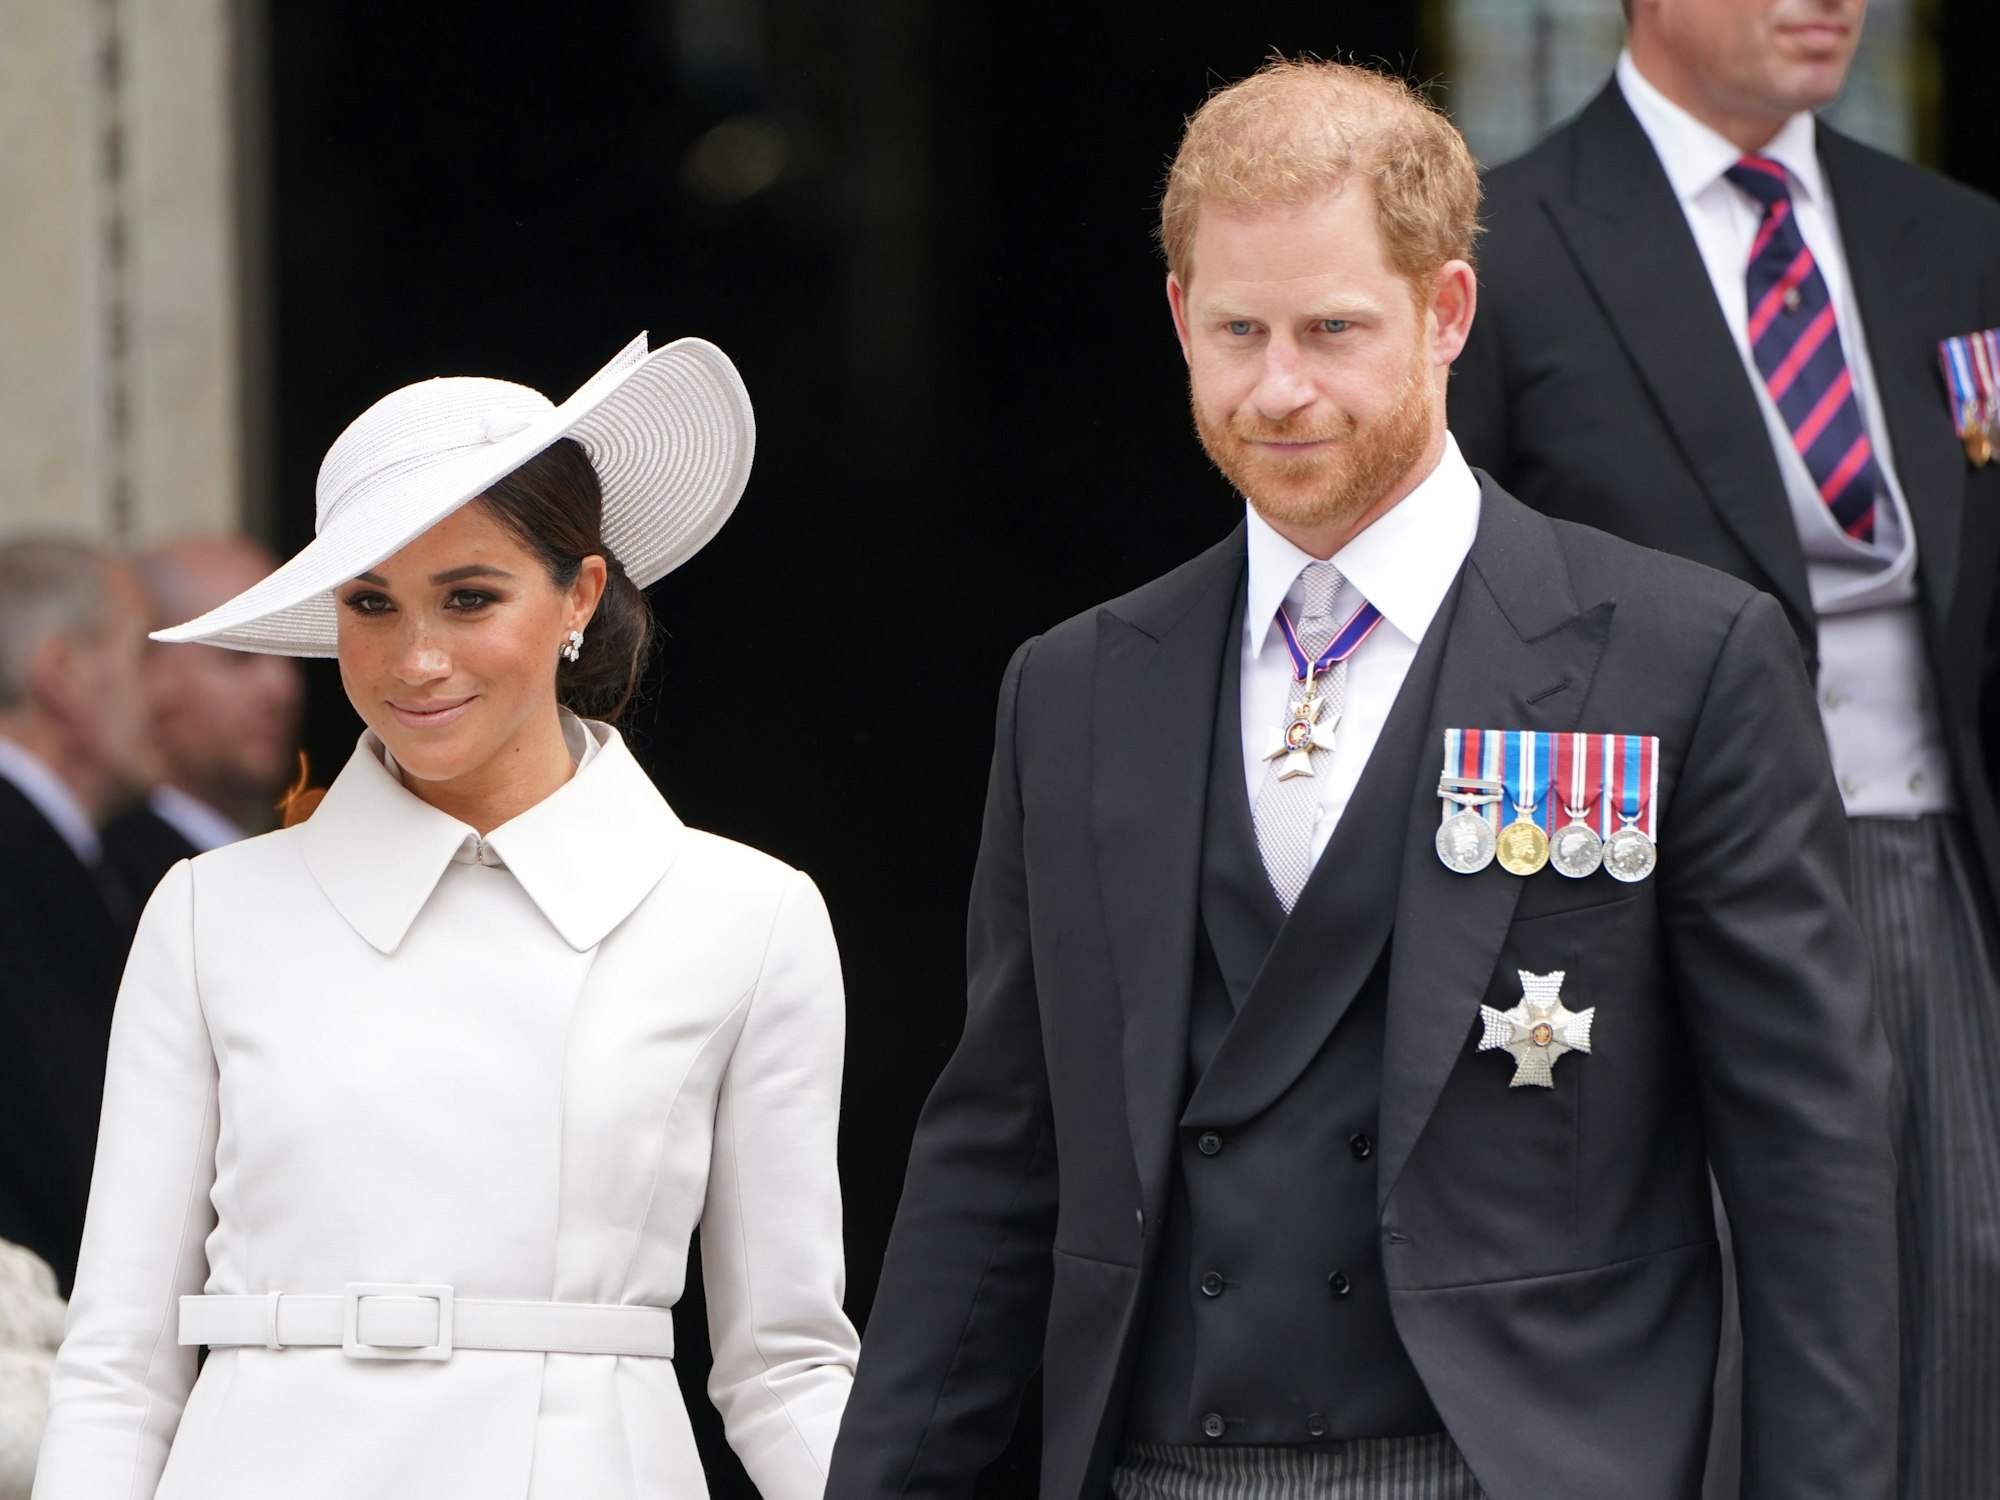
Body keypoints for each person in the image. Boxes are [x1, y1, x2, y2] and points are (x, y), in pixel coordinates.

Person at [825, 58, 1895, 1500]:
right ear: (1177, 320)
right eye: (1237, 330)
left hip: (1527, 1465)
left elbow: (1806, 1160)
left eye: (1332, 330)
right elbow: (998, 1153)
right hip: (1161, 1466)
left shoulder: (1681, 658)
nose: (1280, 389)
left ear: (1446, 311)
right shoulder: (1073, 688)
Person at [33, 334, 858, 1500]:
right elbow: (120, 1365)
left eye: (469, 598)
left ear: (580, 593)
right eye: (371, 603)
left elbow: (784, 1368)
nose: (415, 659)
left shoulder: (745, 917)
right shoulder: (210, 913)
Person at [1448, 3, 2000, 1493]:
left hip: (1930, 868)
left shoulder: (1950, 237)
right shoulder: (1508, 251)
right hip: (1648, 903)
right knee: (1737, 1340)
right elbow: (1460, 626)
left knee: (1964, 1299)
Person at [0, 539, 159, 1294]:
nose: (164, 696)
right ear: (63, 673)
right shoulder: (15, 862)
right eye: (142, 657)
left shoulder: (71, 856)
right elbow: (78, 1156)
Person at [101, 539, 305, 902]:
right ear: (149, 667)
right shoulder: (122, 885)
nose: (282, 688)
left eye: (288, 652)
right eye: (239, 655)